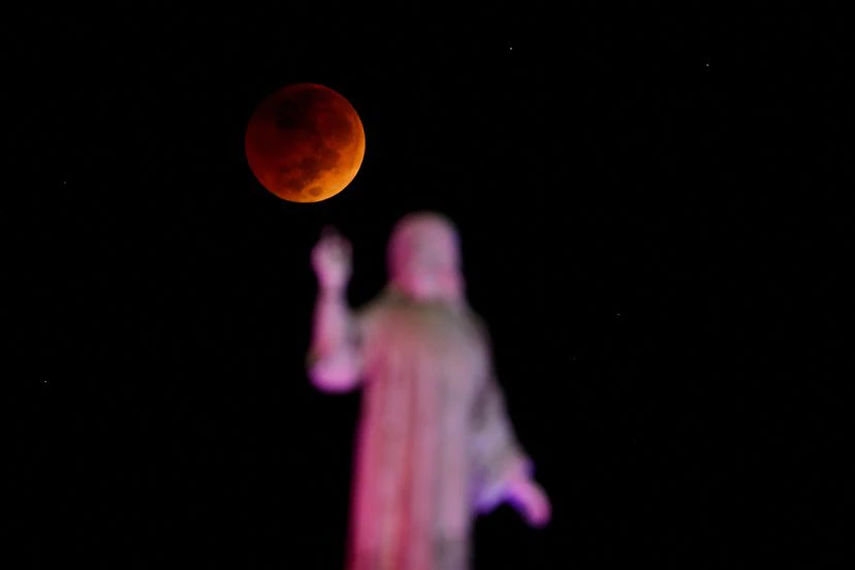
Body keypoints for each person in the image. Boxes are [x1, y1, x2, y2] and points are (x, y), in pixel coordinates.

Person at [307, 211, 551, 570]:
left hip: (445, 487)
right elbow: (334, 364)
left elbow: (487, 415)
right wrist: (332, 289)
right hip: (388, 478)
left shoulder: (467, 334)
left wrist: (517, 482)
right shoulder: (386, 319)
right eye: (412, 249)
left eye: (430, 249)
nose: (421, 258)